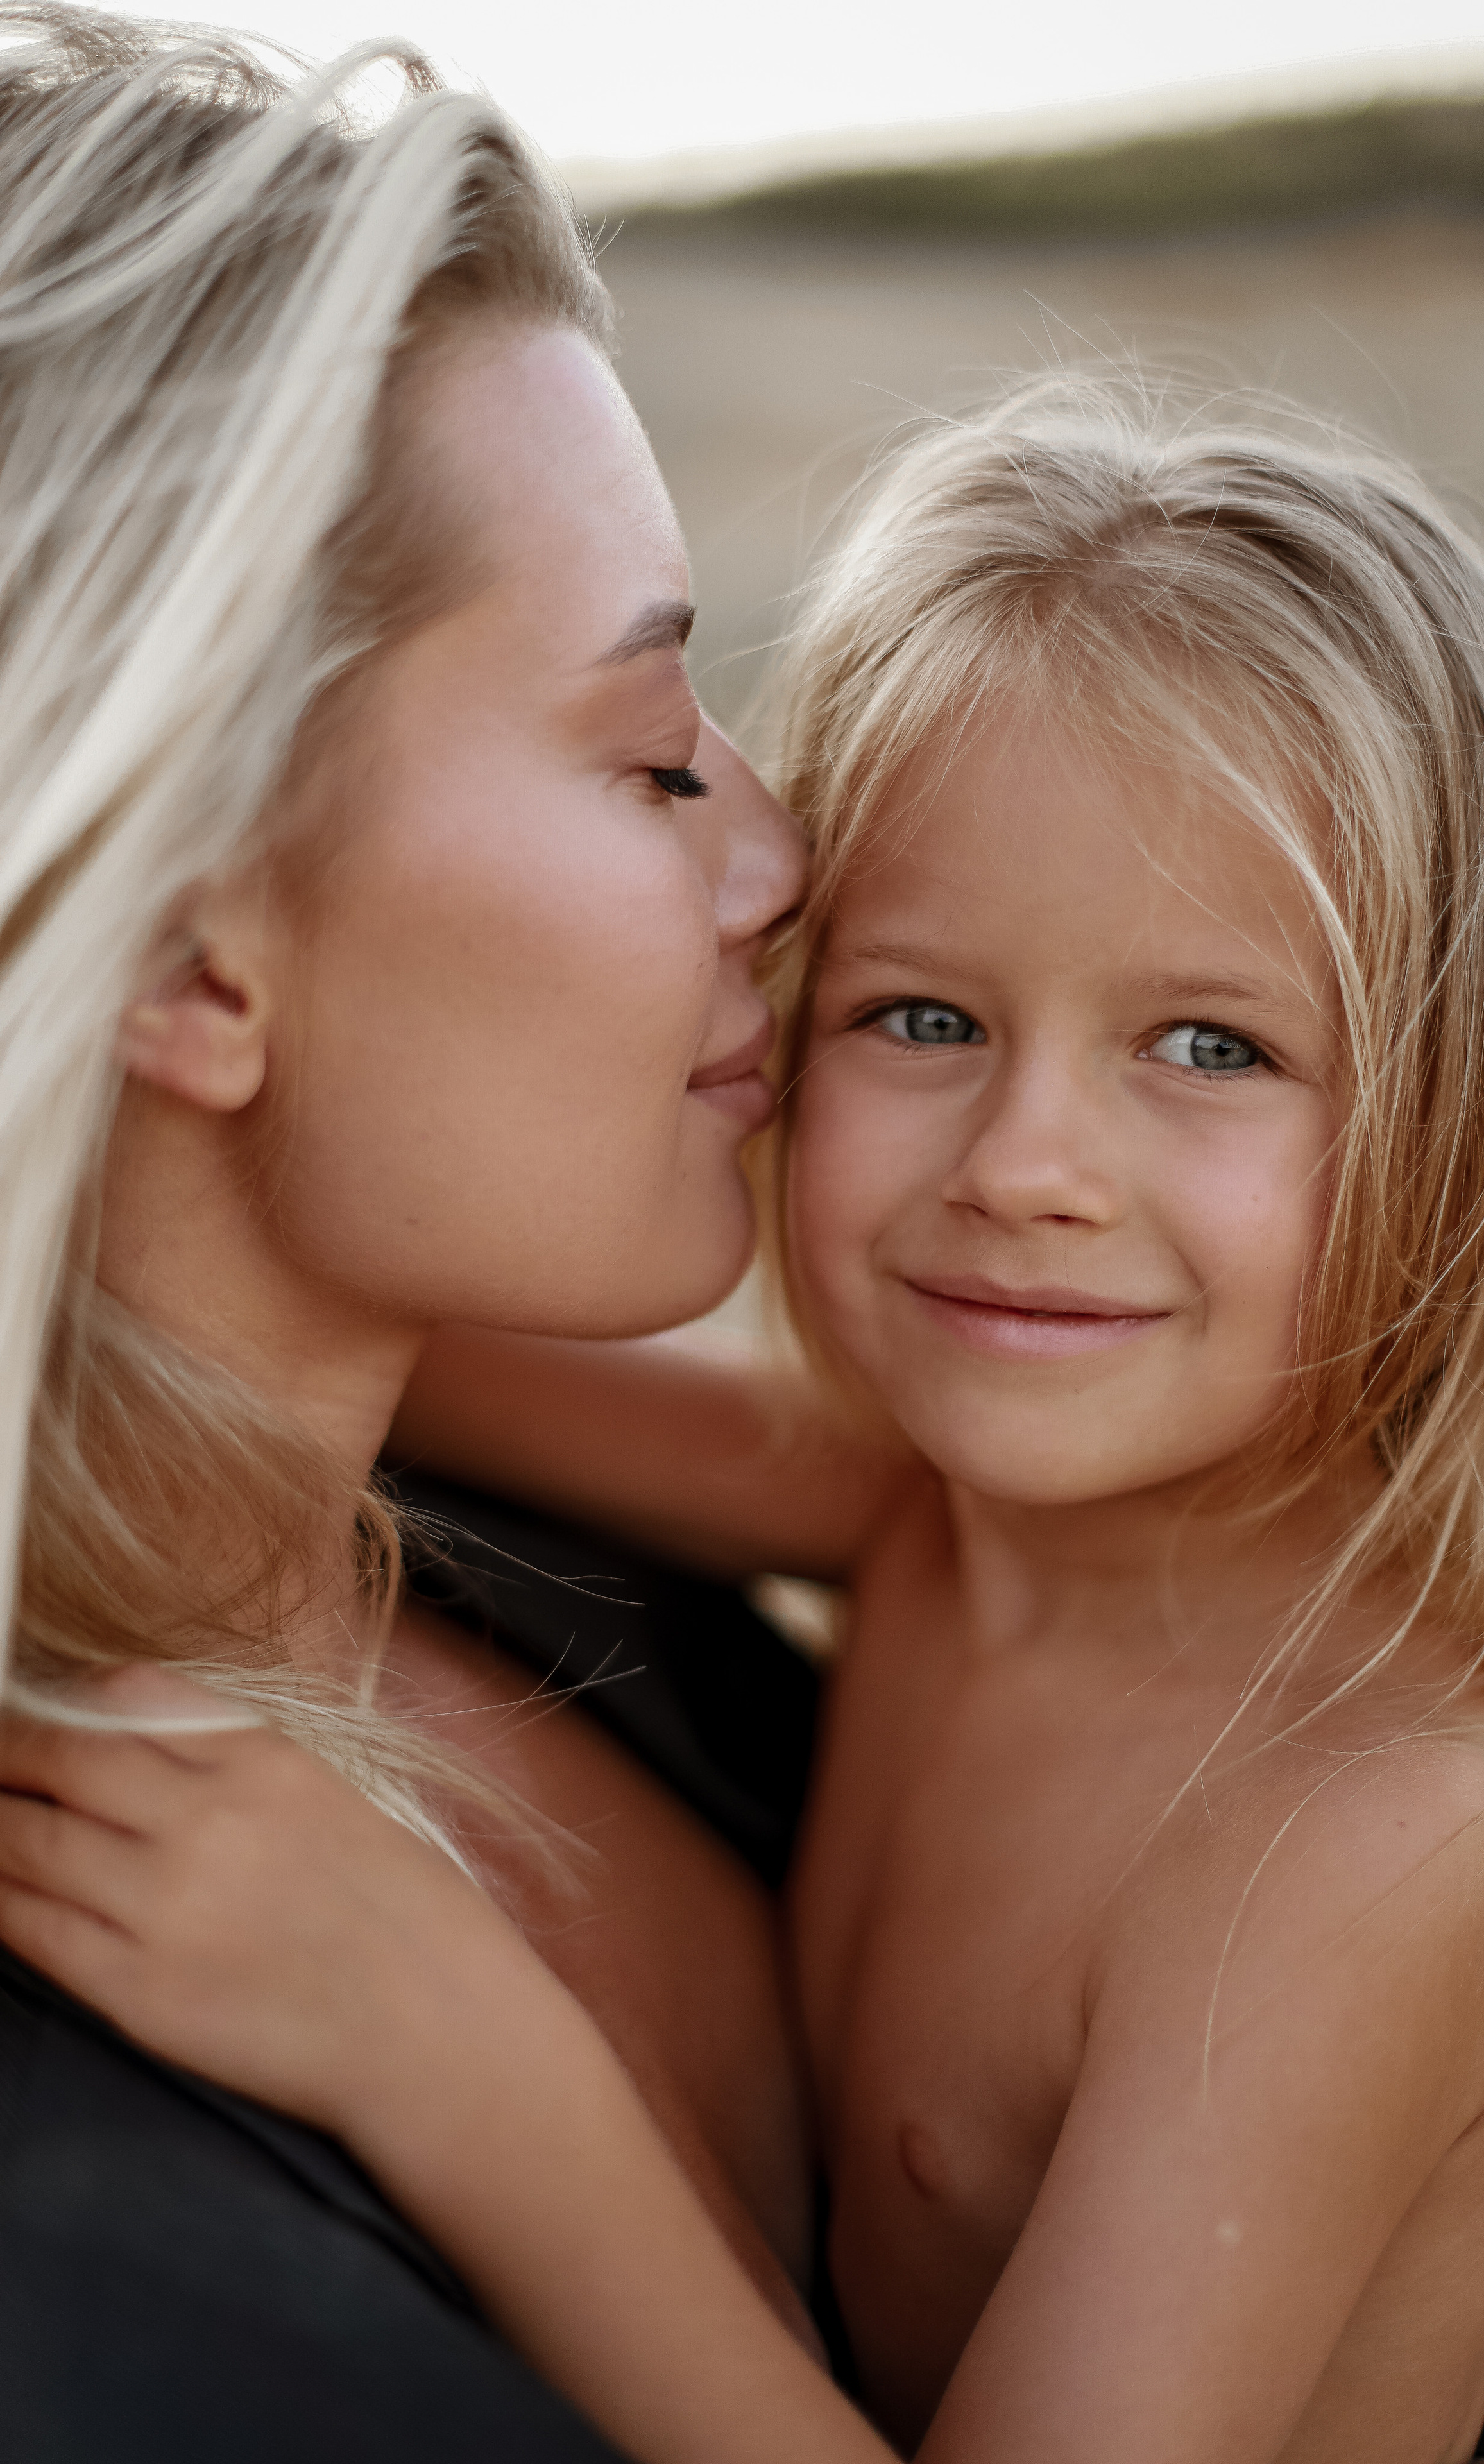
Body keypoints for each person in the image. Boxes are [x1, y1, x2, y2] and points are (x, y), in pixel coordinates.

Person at [10, 377, 1484, 2464]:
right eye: (924, 1015)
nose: (1025, 1166)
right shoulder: (937, 1513)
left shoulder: (1350, 1840)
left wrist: (469, 2066)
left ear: (1461, 1122)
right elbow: (291, 1303)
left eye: (1209, 1046)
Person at [0, 7, 817, 2456]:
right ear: (187, 958)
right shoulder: (75, 2242)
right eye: (651, 757)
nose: (780, 858)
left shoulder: (527, 1540)